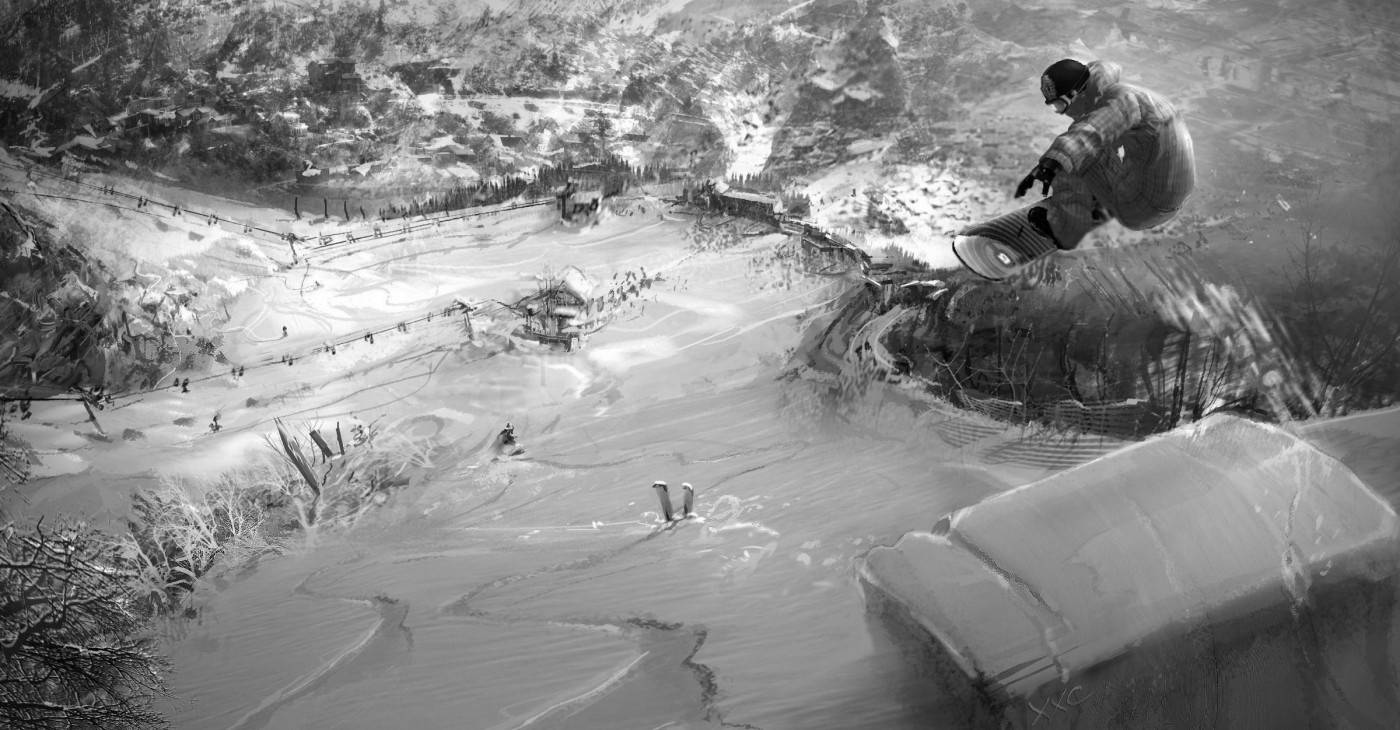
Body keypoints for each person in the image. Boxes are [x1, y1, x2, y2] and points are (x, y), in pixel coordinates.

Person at [1013, 58, 1196, 251]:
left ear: (1076, 94)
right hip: (1170, 193)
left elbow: (1088, 134)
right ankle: (1100, 198)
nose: (1058, 113)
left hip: (1145, 207)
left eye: (1059, 105)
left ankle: (1063, 230)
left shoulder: (1121, 101)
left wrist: (1051, 165)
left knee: (1074, 160)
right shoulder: (1122, 95)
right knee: (1096, 146)